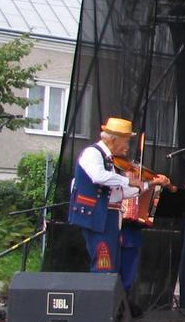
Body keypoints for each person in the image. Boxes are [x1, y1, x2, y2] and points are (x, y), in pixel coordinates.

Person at [68, 117, 170, 311]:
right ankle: (99, 312)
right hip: (97, 217)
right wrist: (128, 180)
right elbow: (99, 177)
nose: (127, 147)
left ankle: (109, 312)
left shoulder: (111, 161)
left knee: (112, 266)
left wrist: (149, 184)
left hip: (111, 217)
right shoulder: (92, 153)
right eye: (126, 141)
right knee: (103, 264)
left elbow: (122, 192)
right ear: (114, 139)